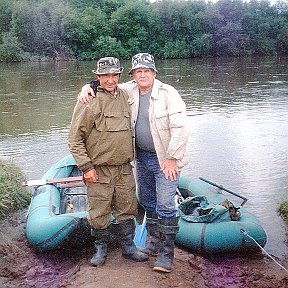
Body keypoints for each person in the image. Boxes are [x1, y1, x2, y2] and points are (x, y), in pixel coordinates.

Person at [78, 53, 189, 273]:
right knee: (148, 202)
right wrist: (86, 87)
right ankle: (153, 243)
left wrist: (171, 158)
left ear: (154, 73)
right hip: (141, 158)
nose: (143, 75)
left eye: (147, 71)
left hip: (165, 160)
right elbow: (106, 84)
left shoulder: (169, 94)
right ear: (133, 75)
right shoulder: (129, 90)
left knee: (166, 204)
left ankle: (166, 255)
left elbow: (181, 128)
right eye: (138, 71)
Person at [68, 57, 148, 267]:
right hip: (99, 170)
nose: (110, 80)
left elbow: (143, 82)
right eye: (105, 76)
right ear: (98, 77)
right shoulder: (89, 100)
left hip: (124, 168)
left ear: (119, 75)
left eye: (114, 75)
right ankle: (100, 248)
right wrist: (86, 167)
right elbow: (75, 138)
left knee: (127, 207)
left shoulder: (125, 94)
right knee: (99, 210)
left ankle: (128, 247)